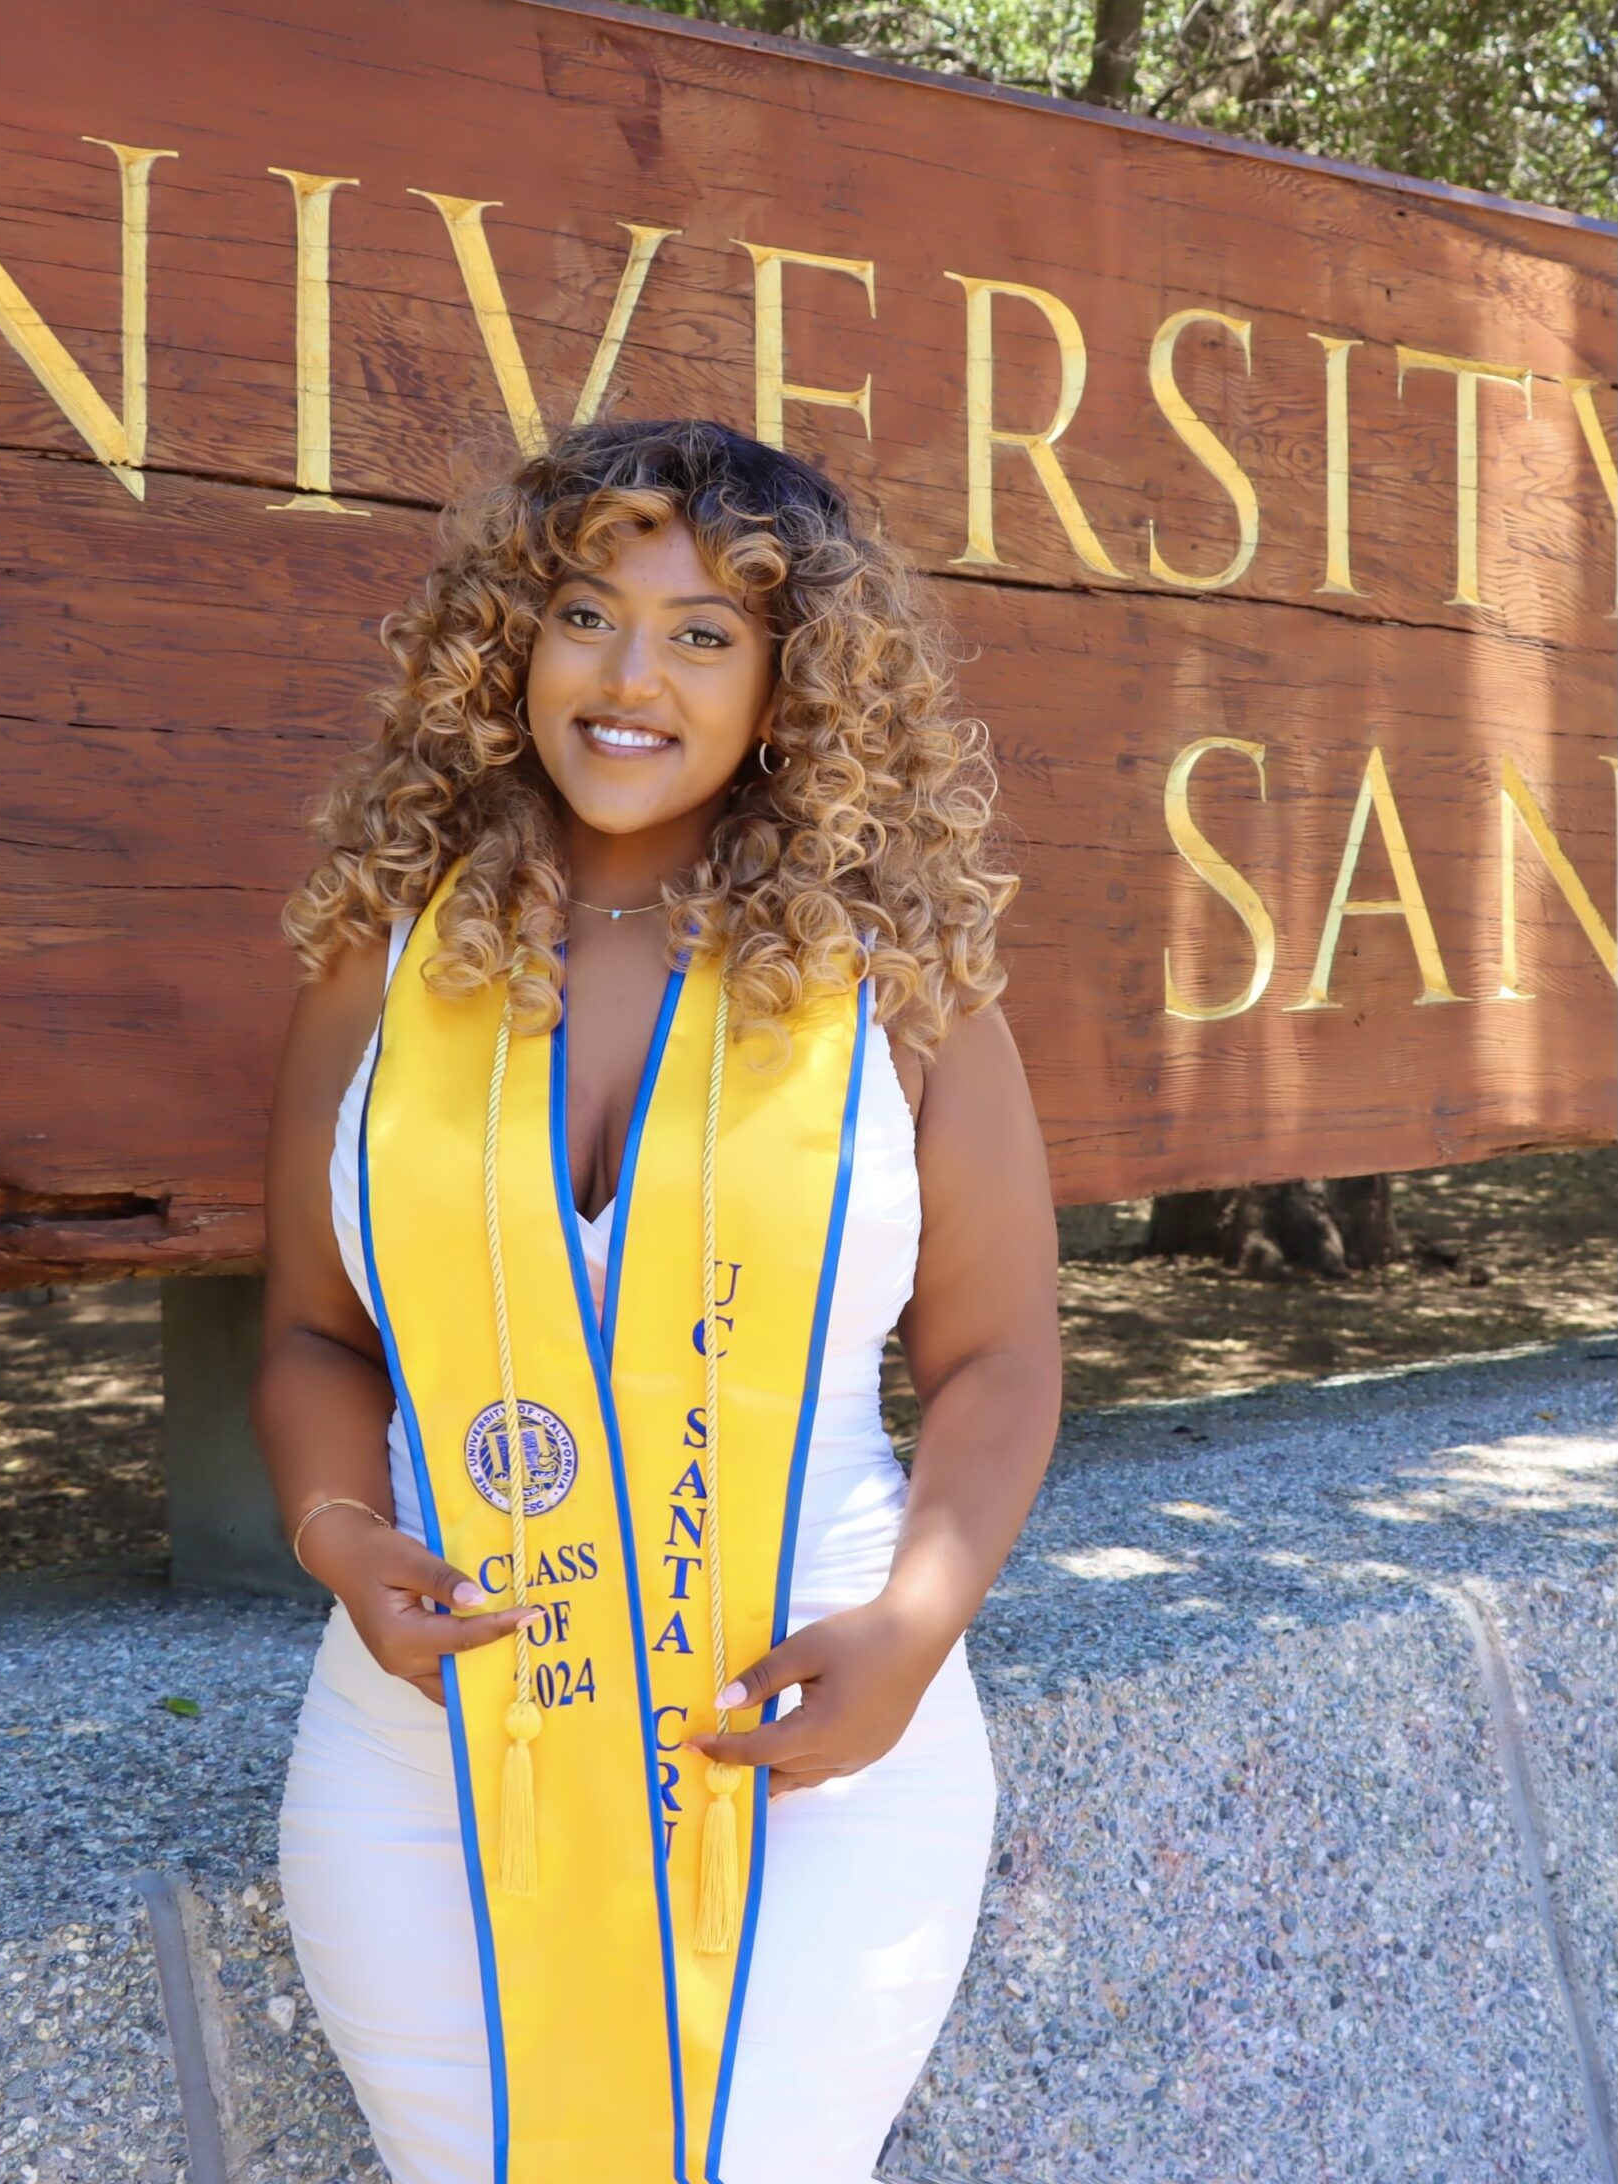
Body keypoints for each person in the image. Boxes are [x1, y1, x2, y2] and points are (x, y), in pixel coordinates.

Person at [253, 418, 1061, 2184]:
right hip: (432, 1756)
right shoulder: (384, 955)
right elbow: (316, 1335)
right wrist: (335, 1534)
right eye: (583, 616)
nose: (631, 678)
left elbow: (996, 1360)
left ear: (788, 683)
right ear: (508, 646)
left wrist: (914, 1632)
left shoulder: (893, 986)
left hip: (800, 1745)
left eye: (703, 633)